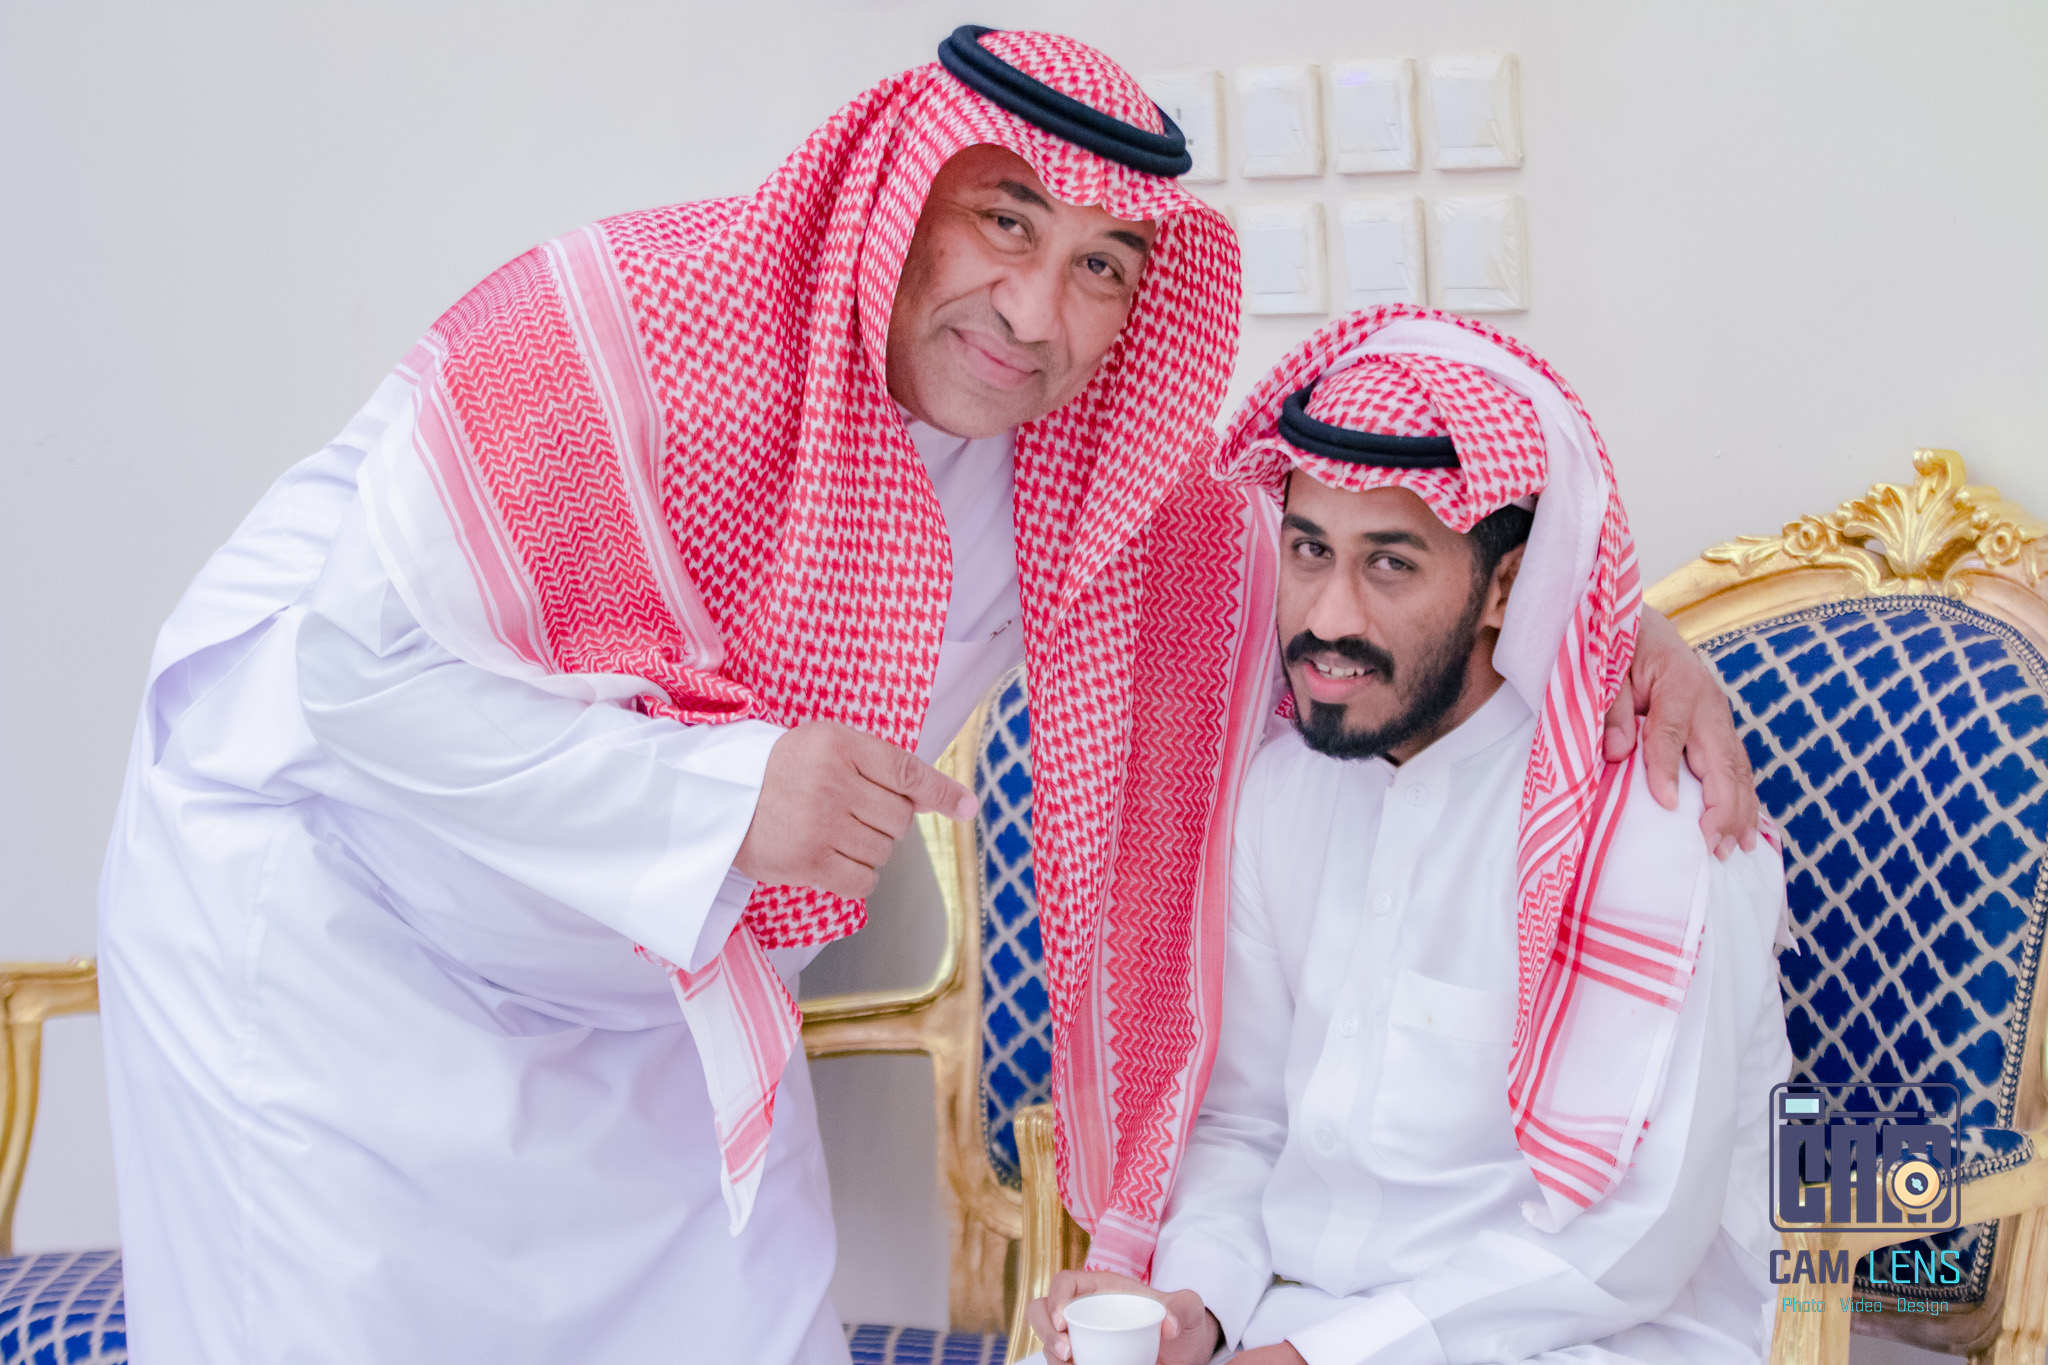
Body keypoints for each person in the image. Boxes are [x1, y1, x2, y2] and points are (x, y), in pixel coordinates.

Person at [98, 24, 1757, 1363]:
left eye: (1104, 265)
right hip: (332, 929)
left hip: (647, 980)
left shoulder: (1077, 453)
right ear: (899, 193)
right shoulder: (623, 326)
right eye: (1005, 223)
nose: (1037, 315)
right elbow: (351, 672)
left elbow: (1356, 581)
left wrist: (1619, 634)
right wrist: (731, 793)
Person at [1026, 309, 1792, 1365]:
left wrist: (1328, 1357)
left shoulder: (1654, 827)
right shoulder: (1278, 796)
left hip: (1595, 1341)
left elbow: (1635, 1240)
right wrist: (1195, 1309)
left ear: (1504, 588)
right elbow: (1244, 1128)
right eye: (1309, 550)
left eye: (1389, 564)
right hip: (1299, 1325)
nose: (1328, 617)